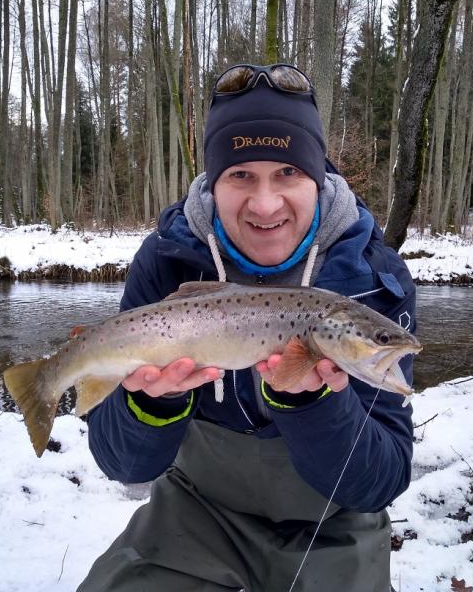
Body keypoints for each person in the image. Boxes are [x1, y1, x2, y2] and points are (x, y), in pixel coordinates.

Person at [78, 63, 416, 592]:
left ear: (317, 178)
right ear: (213, 183)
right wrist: (152, 404)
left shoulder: (374, 279)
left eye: (288, 173)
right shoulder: (166, 262)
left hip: (333, 522)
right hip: (197, 512)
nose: (264, 203)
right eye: (240, 175)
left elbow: (381, 482)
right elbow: (123, 465)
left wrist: (312, 404)